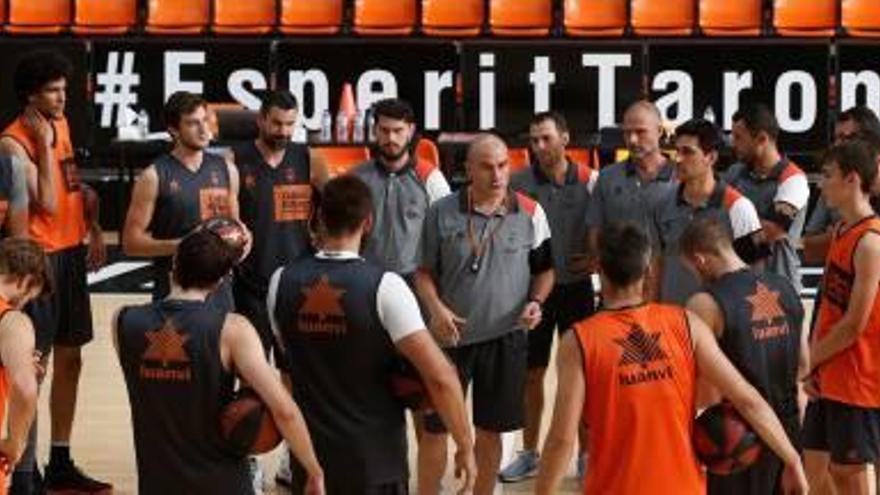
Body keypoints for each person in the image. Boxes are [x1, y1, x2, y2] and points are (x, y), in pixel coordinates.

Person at [534, 222, 808, 495]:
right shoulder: (686, 324)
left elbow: (561, 439)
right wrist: (792, 459)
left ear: (599, 272)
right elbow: (748, 399)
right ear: (649, 271)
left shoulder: (579, 341)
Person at [269, 175, 476, 494]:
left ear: (319, 217)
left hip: (310, 460)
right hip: (375, 463)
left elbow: (288, 372)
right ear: (368, 223)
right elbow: (441, 377)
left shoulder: (280, 282)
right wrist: (464, 445)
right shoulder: (386, 286)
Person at [113, 224, 325, 495]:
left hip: (158, 482)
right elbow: (284, 411)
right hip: (222, 482)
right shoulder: (233, 331)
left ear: (174, 265)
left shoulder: (123, 321)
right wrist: (314, 470)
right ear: (220, 281)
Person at [415, 134, 554, 495]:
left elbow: (545, 270)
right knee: (435, 431)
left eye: (504, 165)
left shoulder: (530, 212)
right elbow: (424, 273)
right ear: (468, 170)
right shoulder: (440, 212)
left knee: (490, 432)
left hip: (505, 339)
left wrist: (535, 302)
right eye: (487, 167)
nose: (497, 175)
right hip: (449, 341)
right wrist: (436, 307)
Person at [0, 50, 109, 494]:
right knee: (33, 367)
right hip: (40, 260)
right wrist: (43, 145)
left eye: (64, 90)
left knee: (71, 357)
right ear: (31, 95)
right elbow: (43, 202)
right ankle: (24, 471)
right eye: (53, 91)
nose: (63, 98)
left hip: (70, 252)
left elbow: (70, 186)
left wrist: (95, 227)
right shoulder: (13, 144)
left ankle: (60, 459)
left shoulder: (59, 123)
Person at [500, 111, 596, 482]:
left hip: (577, 290)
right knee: (532, 374)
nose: (539, 146)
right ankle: (529, 452)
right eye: (534, 139)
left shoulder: (591, 182)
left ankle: (586, 454)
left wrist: (597, 257)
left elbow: (604, 227)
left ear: (565, 139)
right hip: (534, 292)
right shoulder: (518, 183)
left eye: (546, 138)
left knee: (584, 376)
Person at [681, 217, 806, 494]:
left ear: (699, 259)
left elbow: (707, 396)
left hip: (737, 439)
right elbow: (803, 368)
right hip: (789, 433)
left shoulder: (704, 304)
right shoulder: (785, 287)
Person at [803, 140, 880, 495]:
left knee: (849, 472)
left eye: (828, 176)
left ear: (852, 179)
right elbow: (827, 308)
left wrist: (808, 360)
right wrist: (816, 365)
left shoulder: (871, 242)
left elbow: (853, 325)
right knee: (819, 469)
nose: (821, 183)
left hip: (857, 378)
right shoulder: (840, 231)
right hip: (831, 369)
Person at [122, 91, 247, 310]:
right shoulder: (153, 176)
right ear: (173, 130)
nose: (203, 129)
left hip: (221, 290)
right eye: (192, 123)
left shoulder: (227, 169)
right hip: (174, 289)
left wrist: (244, 238)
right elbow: (131, 243)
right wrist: (185, 245)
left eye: (205, 120)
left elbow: (236, 224)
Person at [651, 118, 764, 305]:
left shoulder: (739, 207)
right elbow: (656, 265)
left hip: (720, 324)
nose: (678, 159)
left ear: (710, 157)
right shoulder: (662, 204)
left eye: (687, 152)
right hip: (673, 322)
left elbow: (756, 273)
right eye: (676, 151)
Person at [585, 100, 676, 298]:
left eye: (640, 132)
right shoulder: (608, 177)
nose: (632, 139)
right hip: (620, 294)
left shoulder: (680, 178)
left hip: (671, 292)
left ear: (659, 131)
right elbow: (595, 231)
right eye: (626, 132)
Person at [353, 98, 451, 281]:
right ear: (375, 130)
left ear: (410, 131)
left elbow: (448, 236)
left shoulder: (431, 178)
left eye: (398, 131)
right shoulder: (357, 178)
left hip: (416, 281)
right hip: (367, 279)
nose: (391, 138)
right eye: (384, 131)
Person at [726, 103, 810, 292]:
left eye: (739, 138)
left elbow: (772, 231)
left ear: (762, 139)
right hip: (740, 286)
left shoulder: (793, 178)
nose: (733, 144)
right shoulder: (735, 173)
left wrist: (722, 245)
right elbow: (714, 213)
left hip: (780, 288)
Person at [0, 238, 51, 493]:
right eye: (31, 295)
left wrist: (13, 359)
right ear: (26, 280)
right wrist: (16, 442)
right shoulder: (12, 321)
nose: (26, 303)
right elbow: (26, 389)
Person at [803, 106, 880, 264]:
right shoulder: (834, 182)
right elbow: (809, 250)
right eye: (835, 139)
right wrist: (843, 232)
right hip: (839, 279)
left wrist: (847, 231)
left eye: (845, 138)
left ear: (869, 141)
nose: (837, 145)